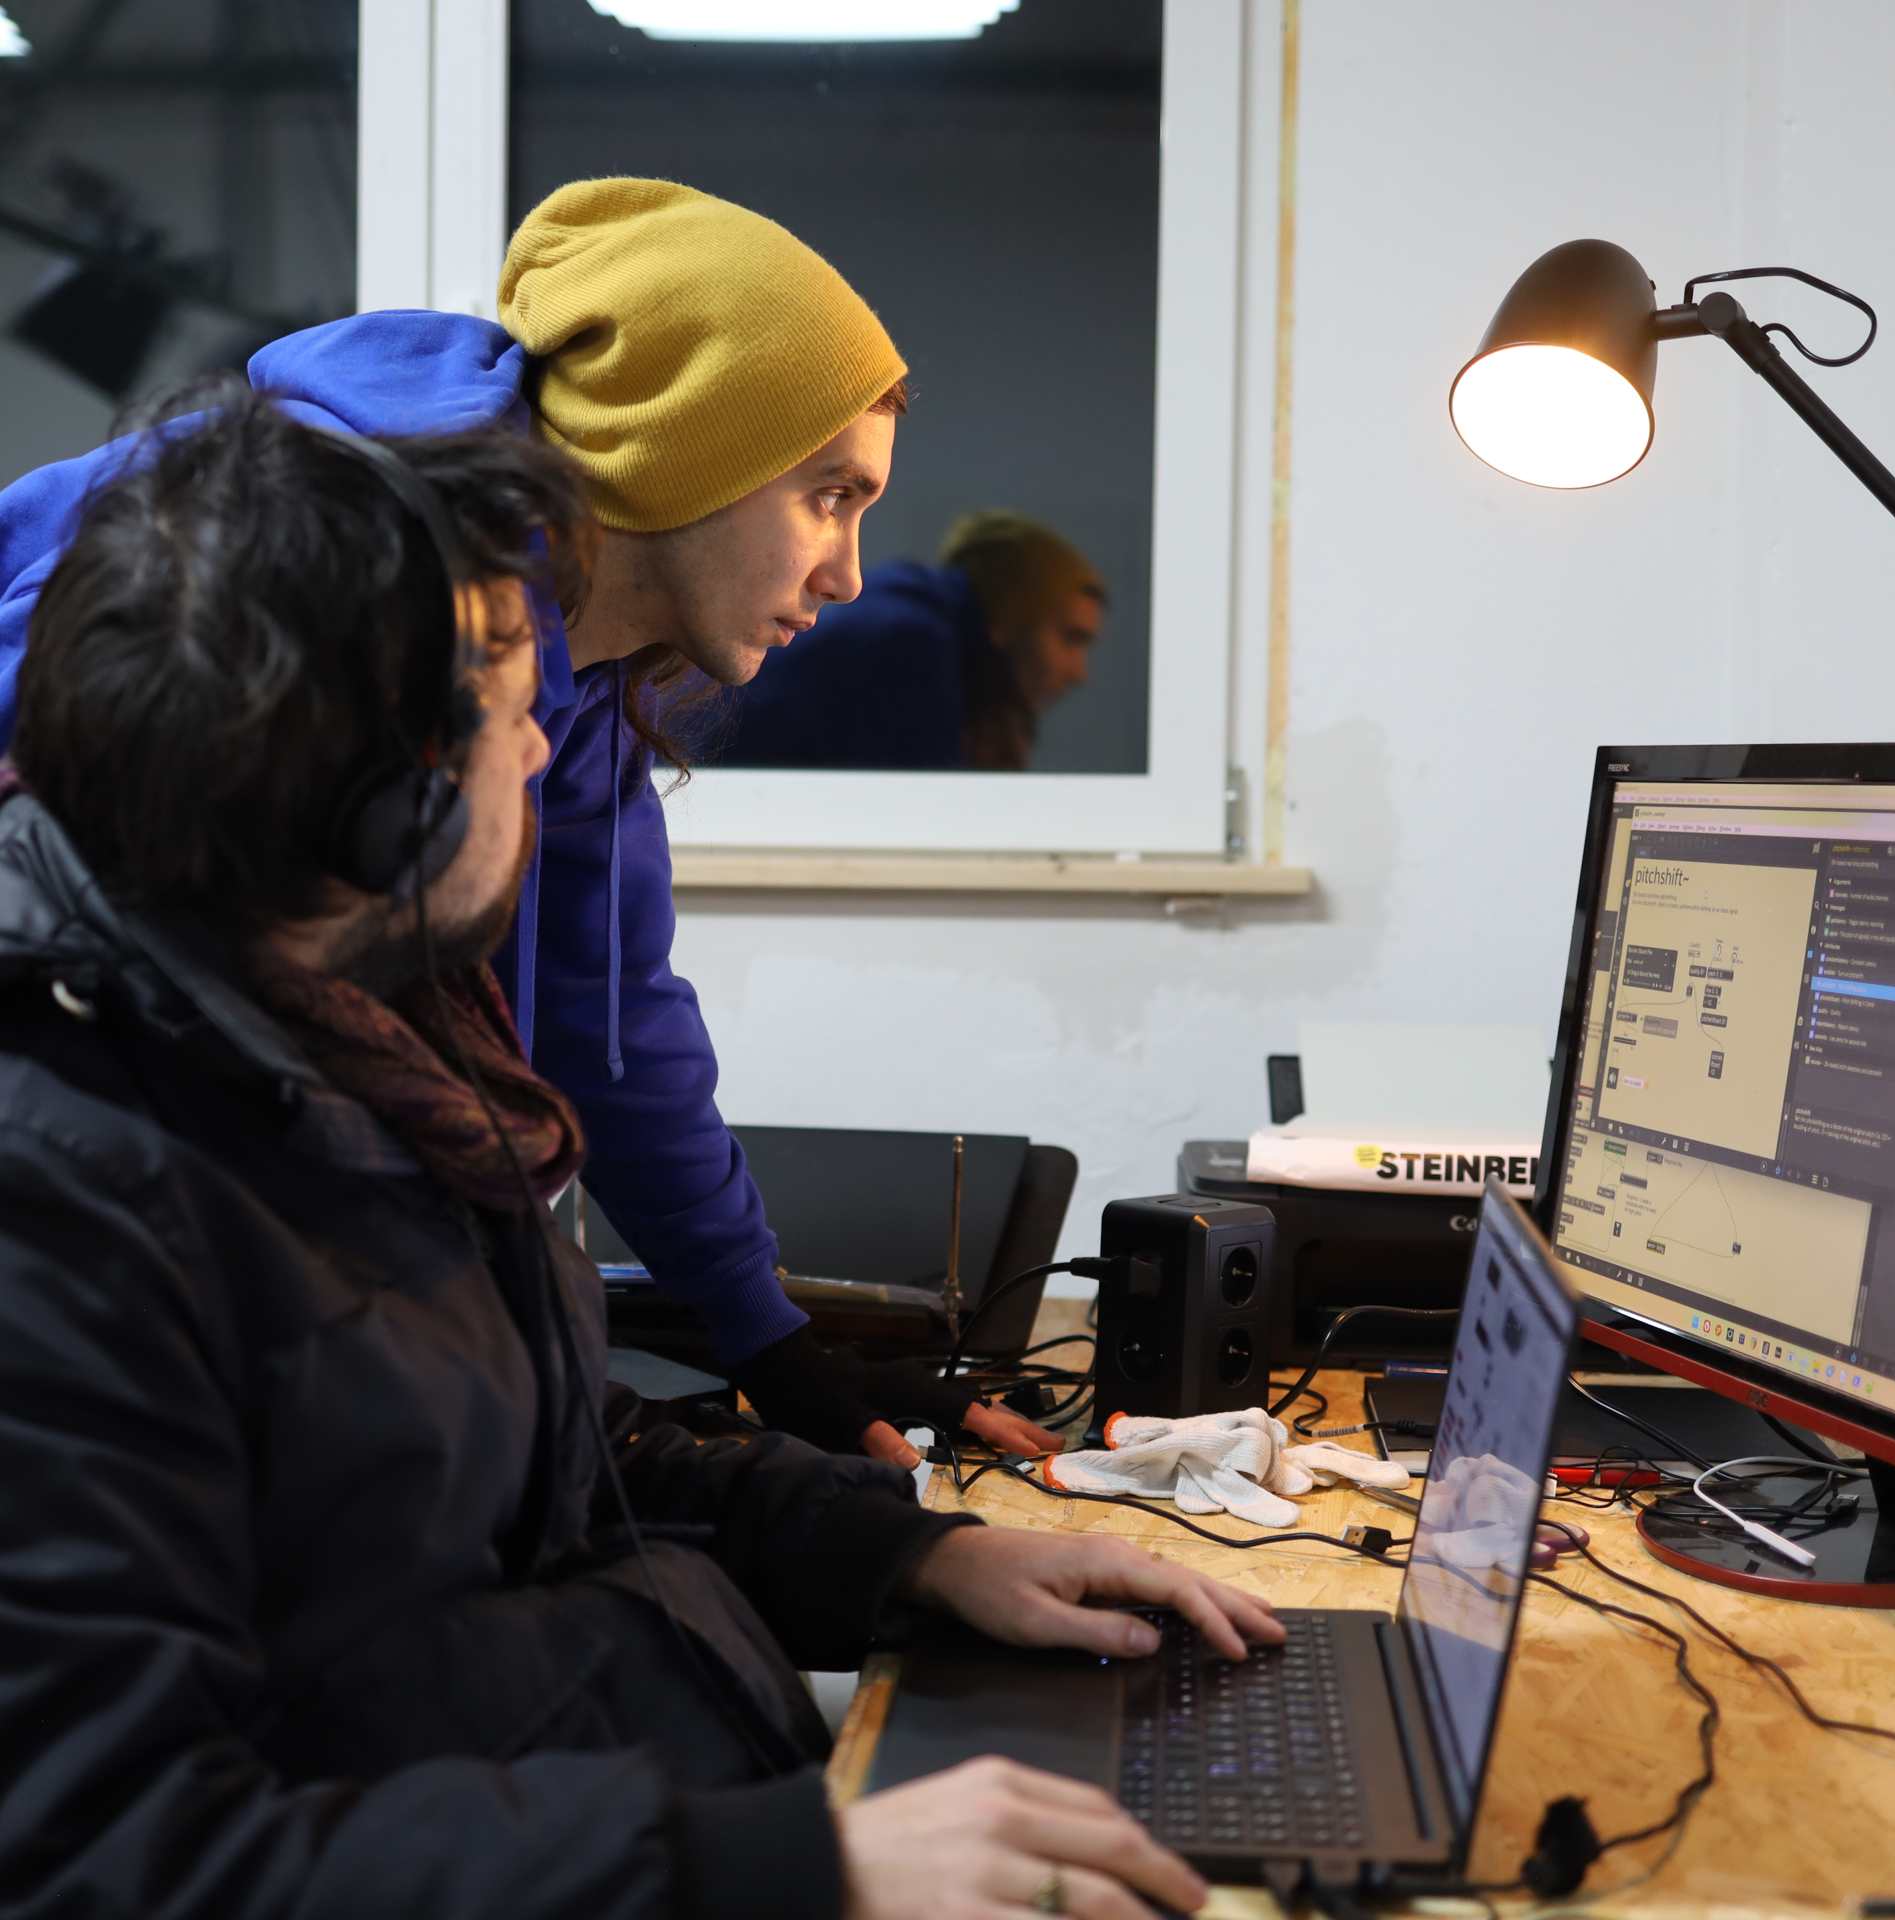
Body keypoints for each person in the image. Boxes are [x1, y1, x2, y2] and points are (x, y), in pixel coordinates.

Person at [0, 394, 1287, 1920]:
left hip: (640, 1780)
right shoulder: (63, 1199)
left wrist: (916, 1562)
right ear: (380, 792)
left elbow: (545, 1452)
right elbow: (104, 1864)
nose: (545, 741)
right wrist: (793, 1871)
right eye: (509, 698)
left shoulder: (362, 1046)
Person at [0, 177, 1044, 1469]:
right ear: (684, 449)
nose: (847, 574)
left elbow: (615, 1027)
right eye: (828, 494)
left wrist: (772, 1345)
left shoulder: (583, 683)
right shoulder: (320, 586)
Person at [714, 509, 1108, 772]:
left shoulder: (914, 617)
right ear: (1012, 614)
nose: (1079, 673)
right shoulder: (909, 645)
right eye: (1071, 638)